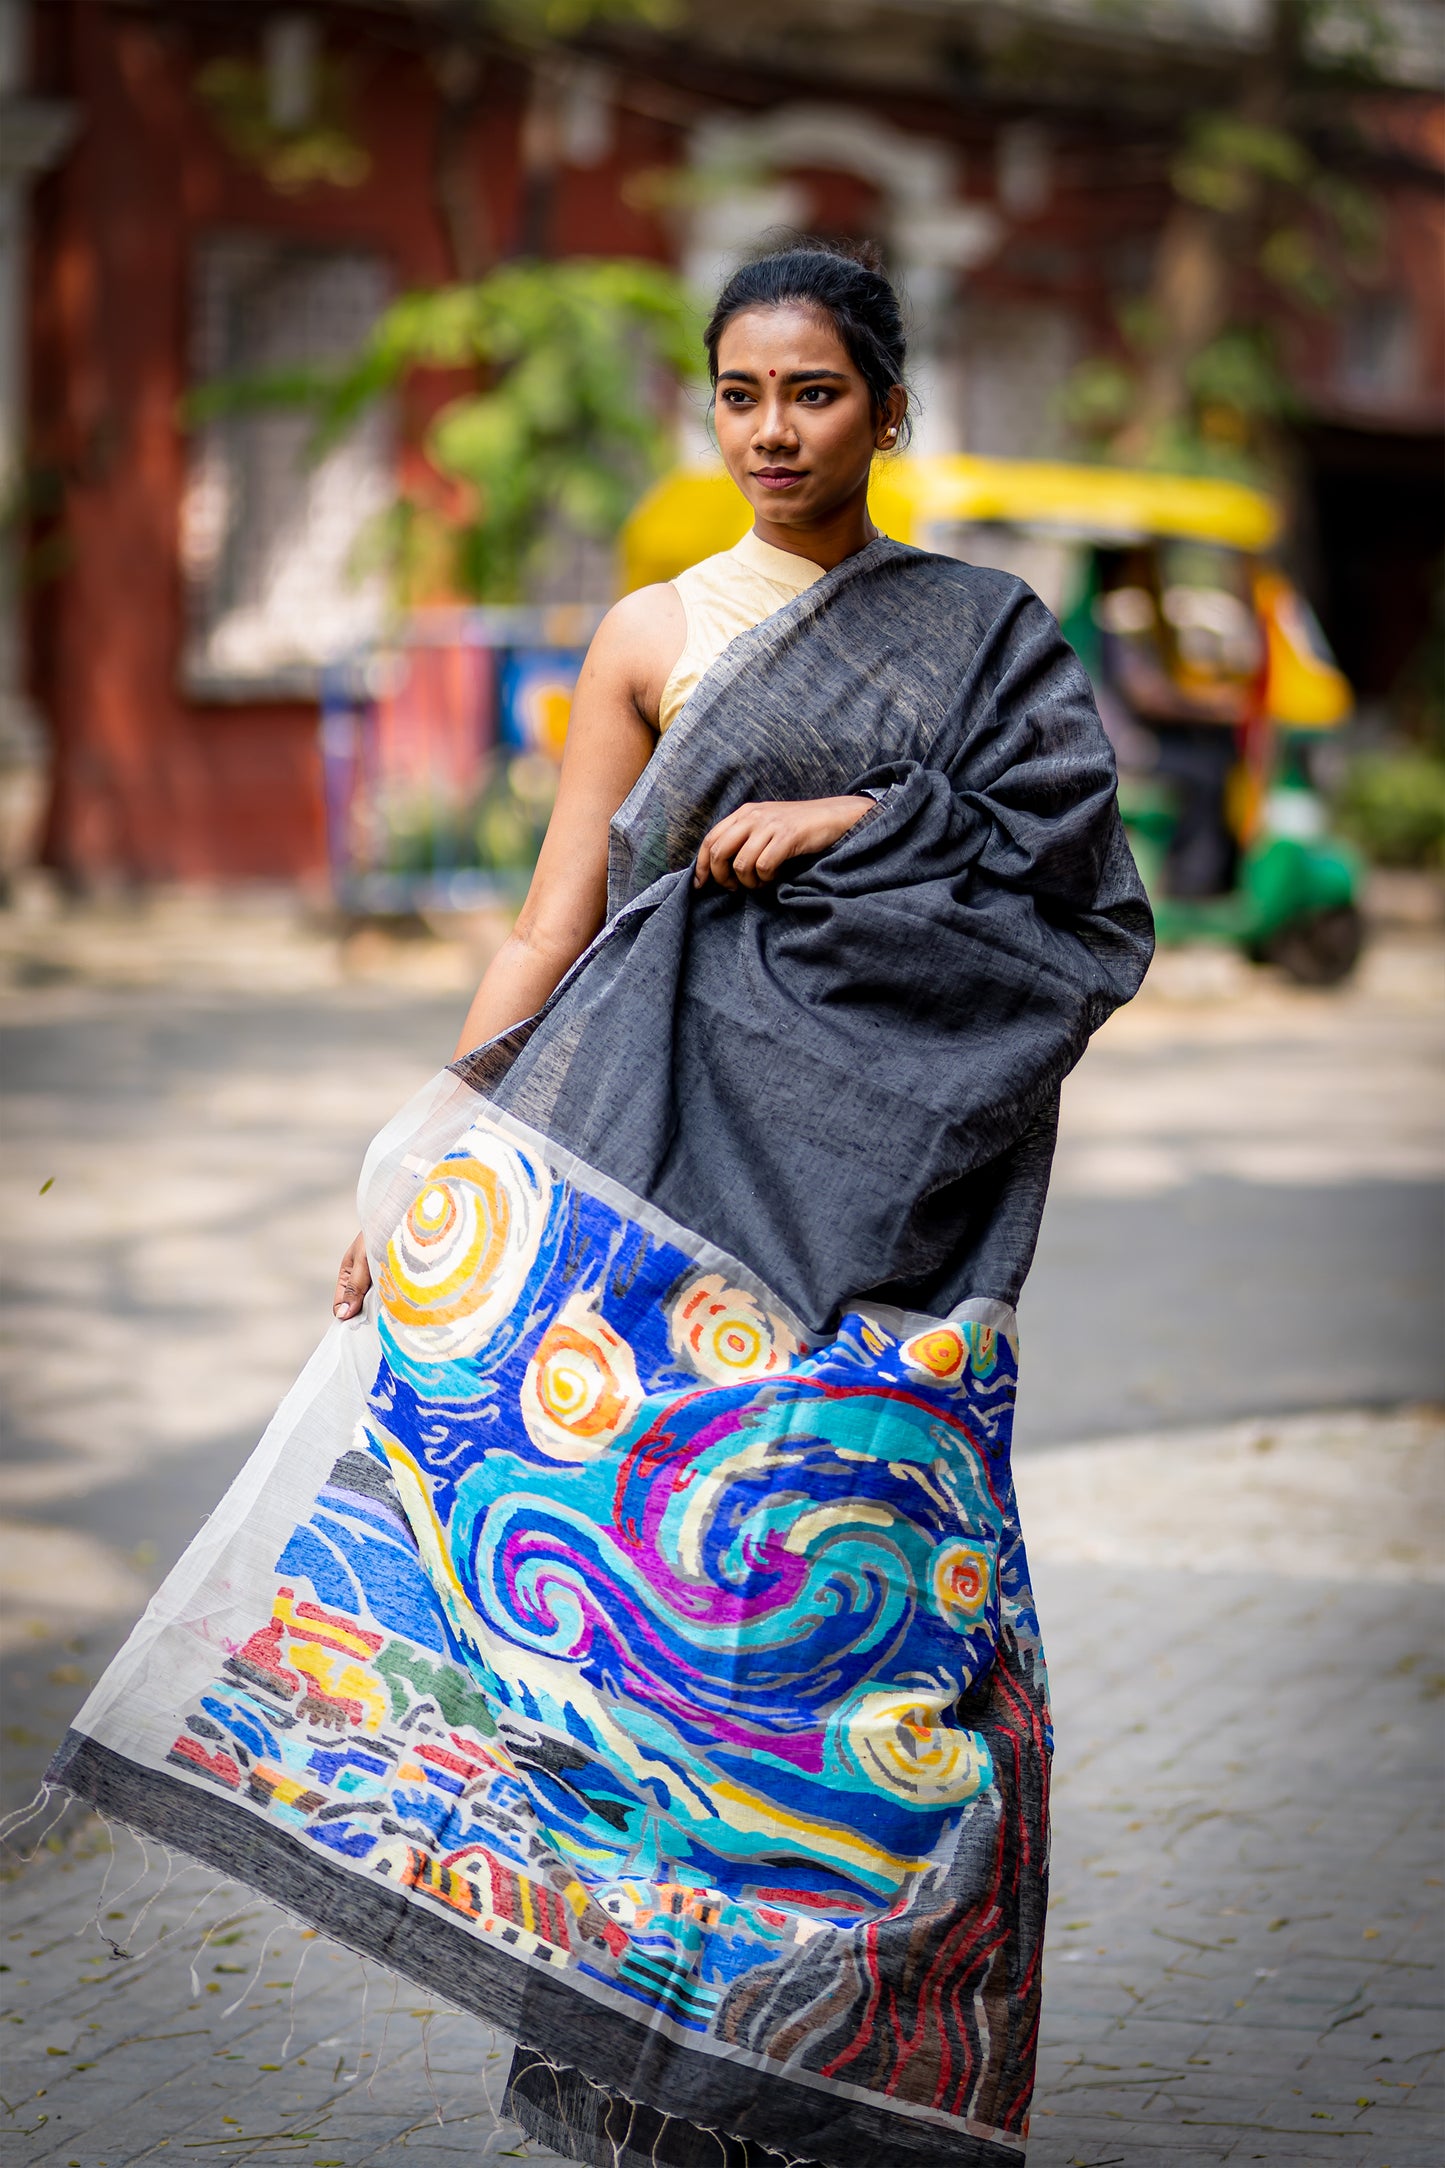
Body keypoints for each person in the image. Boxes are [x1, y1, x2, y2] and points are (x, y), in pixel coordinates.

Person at [50, 243, 1153, 2168]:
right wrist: (430, 1170)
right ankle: (610, 2066)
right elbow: (555, 925)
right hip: (644, 1170)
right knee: (634, 1617)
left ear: (887, 411)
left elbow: (1080, 890)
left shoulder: (984, 634)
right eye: (738, 393)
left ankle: (817, 2060)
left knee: (849, 1625)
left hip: (889, 1207)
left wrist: (861, 823)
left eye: (811, 393)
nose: (771, 430)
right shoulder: (646, 639)